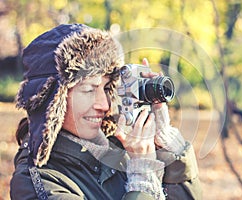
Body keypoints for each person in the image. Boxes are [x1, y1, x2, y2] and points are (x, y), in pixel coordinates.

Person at [10, 24, 202, 200]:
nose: (105, 104)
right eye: (89, 89)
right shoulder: (37, 182)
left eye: (106, 87)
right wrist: (143, 179)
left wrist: (169, 149)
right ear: (52, 99)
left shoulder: (119, 149)